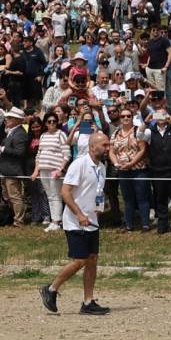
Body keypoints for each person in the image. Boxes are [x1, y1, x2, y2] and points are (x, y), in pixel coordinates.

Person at [39, 132, 111, 316]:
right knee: (80, 260)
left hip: (92, 220)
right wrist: (78, 214)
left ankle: (88, 301)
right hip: (75, 221)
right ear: (92, 146)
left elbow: (96, 191)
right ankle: (51, 288)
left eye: (108, 145)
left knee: (92, 259)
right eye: (104, 145)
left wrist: (101, 205)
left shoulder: (102, 167)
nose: (107, 148)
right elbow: (65, 192)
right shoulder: (79, 164)